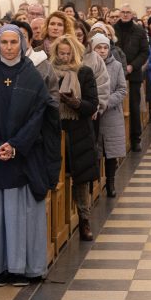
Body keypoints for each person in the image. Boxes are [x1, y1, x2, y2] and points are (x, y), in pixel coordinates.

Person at [0, 24, 58, 286]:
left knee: (22, 214)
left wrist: (16, 145)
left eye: (13, 42)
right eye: (4, 42)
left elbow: (39, 115)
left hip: (24, 158)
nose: (9, 47)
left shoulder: (31, 74)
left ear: (22, 44)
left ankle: (22, 268)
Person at [51, 35, 99, 241]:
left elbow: (92, 105)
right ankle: (56, 223)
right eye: (61, 53)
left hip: (79, 131)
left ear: (75, 52)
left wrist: (75, 103)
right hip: (55, 129)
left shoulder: (84, 72)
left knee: (80, 179)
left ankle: (84, 220)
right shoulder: (48, 72)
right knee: (56, 176)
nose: (64, 56)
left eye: (68, 52)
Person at [91, 34, 126, 197]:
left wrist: (105, 102)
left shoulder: (117, 66)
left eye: (105, 47)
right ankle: (96, 185)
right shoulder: (87, 64)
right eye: (99, 47)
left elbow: (122, 89)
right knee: (96, 150)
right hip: (93, 114)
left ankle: (111, 182)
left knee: (111, 152)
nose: (102, 51)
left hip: (111, 113)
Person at [113, 6, 146, 152]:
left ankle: (135, 139)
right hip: (115, 73)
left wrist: (133, 66)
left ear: (132, 14)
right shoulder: (113, 29)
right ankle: (119, 140)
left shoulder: (139, 30)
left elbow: (145, 52)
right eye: (123, 12)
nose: (125, 15)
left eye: (128, 12)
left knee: (133, 106)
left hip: (133, 75)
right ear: (119, 14)